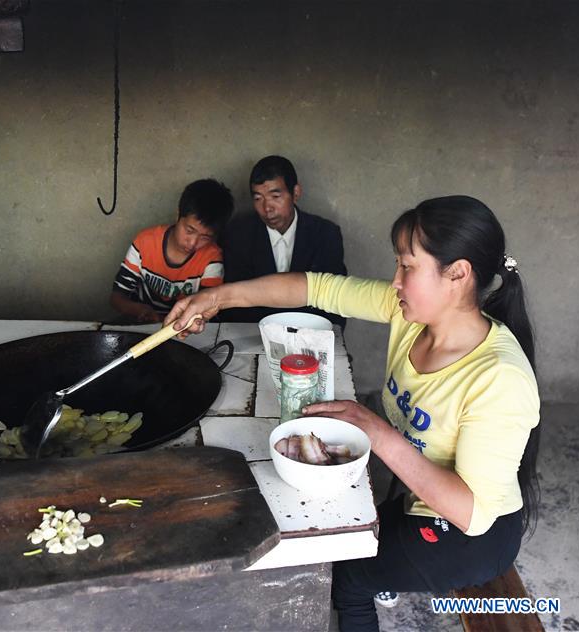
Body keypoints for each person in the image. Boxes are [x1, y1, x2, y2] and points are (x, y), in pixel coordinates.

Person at [165, 196, 540, 632]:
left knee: (345, 578)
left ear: (457, 273)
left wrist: (377, 432)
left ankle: (372, 582)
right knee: (341, 532)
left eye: (408, 267)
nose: (396, 282)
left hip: (471, 536)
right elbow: (316, 288)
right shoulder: (415, 316)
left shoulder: (499, 378)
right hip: (420, 500)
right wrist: (218, 298)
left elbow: (471, 512)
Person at [220, 155, 347, 326]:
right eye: (258, 198)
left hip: (310, 336)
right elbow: (234, 306)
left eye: (275, 196)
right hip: (254, 336)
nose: (267, 208)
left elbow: (336, 301)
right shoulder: (238, 234)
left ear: (295, 193)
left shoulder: (325, 234)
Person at [110, 179, 234, 323]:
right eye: (189, 230)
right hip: (140, 324)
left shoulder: (211, 258)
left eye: (205, 237)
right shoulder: (145, 242)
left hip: (184, 329)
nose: (193, 243)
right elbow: (116, 297)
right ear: (178, 215)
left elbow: (206, 309)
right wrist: (141, 311)